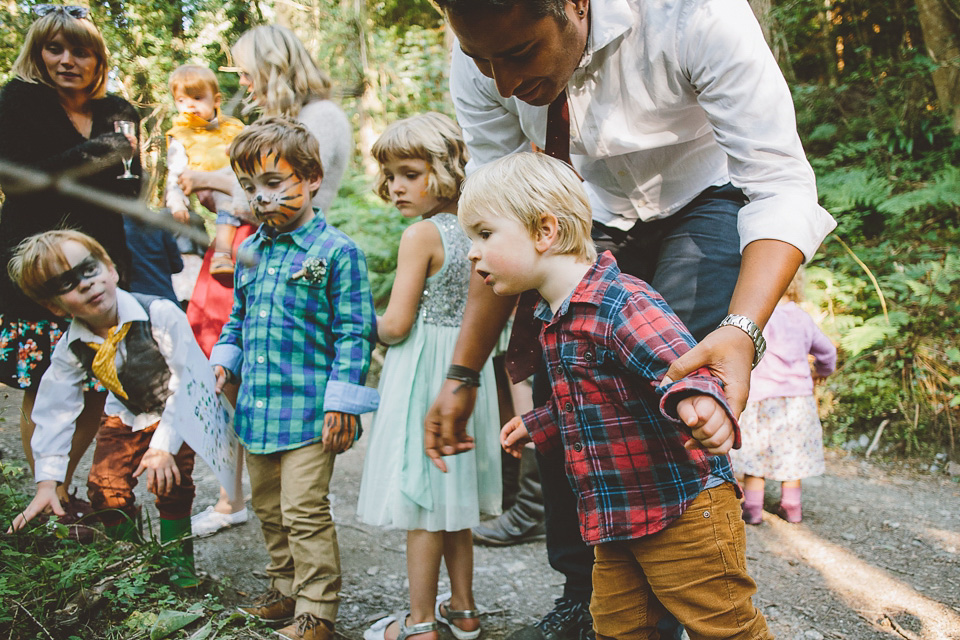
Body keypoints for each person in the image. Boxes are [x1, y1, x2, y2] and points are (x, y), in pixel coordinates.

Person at [425, 0, 838, 637]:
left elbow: (779, 181)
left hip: (707, 195)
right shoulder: (479, 48)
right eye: (483, 61)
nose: (501, 83)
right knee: (566, 373)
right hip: (580, 211)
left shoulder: (695, 16)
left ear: (574, 5)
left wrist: (742, 329)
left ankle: (687, 589)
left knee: (667, 394)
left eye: (518, 55)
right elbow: (498, 219)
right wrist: (461, 374)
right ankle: (586, 595)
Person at [462, 153, 772, 639]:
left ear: (544, 232)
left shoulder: (621, 301)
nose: (472, 253)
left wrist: (702, 401)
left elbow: (684, 364)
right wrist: (541, 422)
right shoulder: (554, 317)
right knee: (619, 628)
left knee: (725, 628)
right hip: (614, 516)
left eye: (484, 235)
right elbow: (592, 399)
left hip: (682, 510)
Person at [211, 117, 378, 640]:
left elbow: (355, 333)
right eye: (249, 187)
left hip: (309, 411)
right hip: (258, 409)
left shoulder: (336, 253)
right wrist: (225, 358)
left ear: (309, 178)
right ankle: (284, 590)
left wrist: (343, 404)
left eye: (273, 183)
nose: (260, 198)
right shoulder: (250, 251)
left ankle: (317, 610)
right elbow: (237, 315)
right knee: (267, 508)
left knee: (304, 510)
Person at [185, 24, 355, 537]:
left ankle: (267, 501)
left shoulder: (319, 118)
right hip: (256, 255)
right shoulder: (279, 121)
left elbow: (284, 205)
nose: (242, 80)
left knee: (269, 374)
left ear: (272, 65)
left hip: (288, 261)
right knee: (231, 371)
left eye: (246, 70)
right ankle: (237, 493)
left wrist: (214, 188)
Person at [357, 113, 500, 640]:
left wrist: (353, 321)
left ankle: (418, 623)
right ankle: (463, 610)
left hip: (422, 373)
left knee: (422, 501)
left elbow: (394, 327)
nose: (396, 186)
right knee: (454, 504)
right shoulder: (476, 229)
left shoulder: (420, 235)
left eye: (410, 173)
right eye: (390, 173)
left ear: (443, 171)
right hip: (466, 371)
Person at [0, 4, 141, 509]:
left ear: (97, 59)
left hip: (102, 261)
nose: (66, 60)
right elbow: (16, 183)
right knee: (43, 381)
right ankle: (48, 493)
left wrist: (109, 160)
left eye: (80, 51)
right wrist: (94, 156)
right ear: (37, 53)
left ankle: (61, 484)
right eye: (54, 48)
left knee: (98, 377)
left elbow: (130, 193)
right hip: (36, 262)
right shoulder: (17, 100)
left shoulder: (119, 109)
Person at [6, 230, 203, 587]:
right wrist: (48, 480)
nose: (85, 284)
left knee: (170, 482)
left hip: (175, 411)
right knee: (104, 486)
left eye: (88, 269)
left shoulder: (158, 313)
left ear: (110, 269)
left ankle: (179, 569)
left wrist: (164, 446)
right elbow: (54, 409)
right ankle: (131, 564)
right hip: (125, 414)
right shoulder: (72, 346)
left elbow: (188, 383)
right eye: (66, 283)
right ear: (54, 306)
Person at [731, 268, 837, 525]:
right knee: (793, 454)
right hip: (796, 401)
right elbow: (828, 353)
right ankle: (791, 506)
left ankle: (753, 508)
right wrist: (821, 372)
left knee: (756, 454)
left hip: (759, 398)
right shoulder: (802, 319)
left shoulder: (756, 317)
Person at [164, 64, 245, 285]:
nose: (189, 105)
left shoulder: (234, 127)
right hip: (211, 186)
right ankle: (222, 254)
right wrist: (178, 201)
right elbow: (176, 172)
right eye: (181, 101)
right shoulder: (180, 135)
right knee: (226, 200)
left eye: (197, 98)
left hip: (241, 182)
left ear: (216, 100)